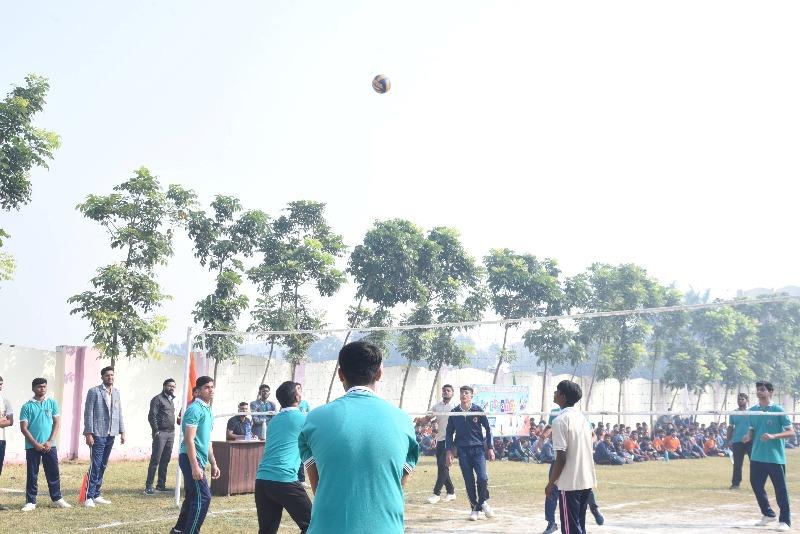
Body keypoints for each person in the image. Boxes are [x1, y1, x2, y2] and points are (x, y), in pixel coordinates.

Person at [298, 341, 418, 534]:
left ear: (340, 374)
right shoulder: (403, 421)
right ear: (379, 373)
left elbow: (317, 485)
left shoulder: (314, 420)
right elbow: (400, 483)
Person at [255, 381, 312, 534]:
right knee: (314, 525)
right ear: (296, 397)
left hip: (262, 481)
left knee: (267, 531)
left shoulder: (274, 421)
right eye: (299, 390)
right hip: (284, 480)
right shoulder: (303, 419)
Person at [545, 380, 597, 534]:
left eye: (557, 391)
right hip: (586, 480)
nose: (554, 393)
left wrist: (551, 483)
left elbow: (561, 458)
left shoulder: (560, 421)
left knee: (570, 530)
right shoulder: (583, 419)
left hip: (570, 483)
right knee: (579, 526)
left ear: (563, 397)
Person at [171, 376, 221, 534]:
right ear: (197, 391)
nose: (211, 390)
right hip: (190, 458)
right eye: (207, 387)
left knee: (193, 497)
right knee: (203, 497)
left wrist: (213, 463)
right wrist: (194, 466)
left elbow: (207, 441)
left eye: (212, 386)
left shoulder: (208, 410)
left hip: (197, 459)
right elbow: (189, 439)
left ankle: (178, 530)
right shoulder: (194, 409)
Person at [742, 381, 793, 531]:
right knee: (756, 485)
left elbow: (791, 432)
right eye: (758, 389)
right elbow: (752, 429)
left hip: (775, 457)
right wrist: (748, 435)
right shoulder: (753, 410)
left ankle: (785, 521)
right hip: (757, 456)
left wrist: (773, 436)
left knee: (780, 489)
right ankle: (768, 514)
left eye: (763, 389)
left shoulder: (778, 410)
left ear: (770, 392)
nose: (759, 392)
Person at [18, 378, 71, 511]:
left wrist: (50, 441)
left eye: (44, 386)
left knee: (53, 472)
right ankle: (31, 502)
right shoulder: (27, 406)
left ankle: (57, 499)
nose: (42, 388)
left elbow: (56, 423)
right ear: (33, 389)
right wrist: (35, 444)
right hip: (32, 446)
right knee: (32, 474)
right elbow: (24, 428)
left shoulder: (52, 403)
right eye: (39, 387)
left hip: (49, 446)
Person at [445, 385, 496, 521]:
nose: (463, 395)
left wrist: (490, 447)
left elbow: (488, 429)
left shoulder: (478, 410)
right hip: (462, 451)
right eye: (462, 393)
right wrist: (449, 451)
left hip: (478, 449)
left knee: (482, 478)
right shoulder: (454, 412)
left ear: (471, 396)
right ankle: (474, 508)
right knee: (469, 481)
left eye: (466, 393)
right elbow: (449, 432)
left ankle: (482, 502)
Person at [83, 365, 125, 508]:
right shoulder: (94, 391)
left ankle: (96, 494)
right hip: (97, 433)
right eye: (107, 375)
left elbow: (119, 413)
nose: (110, 377)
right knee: (95, 464)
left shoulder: (116, 393)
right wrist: (88, 433)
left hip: (111, 433)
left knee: (103, 464)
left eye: (112, 375)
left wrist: (122, 431)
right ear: (102, 377)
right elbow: (88, 413)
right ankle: (88, 496)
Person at [145, 378, 178, 495]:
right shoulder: (157, 399)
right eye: (169, 386)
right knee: (155, 460)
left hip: (171, 433)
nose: (171, 388)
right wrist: (156, 431)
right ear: (164, 386)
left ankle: (161, 485)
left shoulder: (171, 400)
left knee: (165, 460)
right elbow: (151, 416)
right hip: (161, 433)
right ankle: (148, 486)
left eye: (173, 386)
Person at [425, 384, 457, 504]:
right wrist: (420, 421)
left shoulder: (456, 407)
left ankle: (436, 493)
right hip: (440, 440)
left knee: (443, 466)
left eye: (448, 390)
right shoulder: (437, 406)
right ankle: (451, 492)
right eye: (444, 390)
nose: (445, 392)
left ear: (452, 393)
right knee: (442, 467)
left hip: (452, 441)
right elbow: (427, 418)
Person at [728, 392, 752, 489]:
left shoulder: (752, 412)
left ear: (747, 400)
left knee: (754, 463)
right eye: (739, 399)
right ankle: (735, 483)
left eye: (742, 399)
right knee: (737, 464)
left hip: (751, 440)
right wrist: (729, 440)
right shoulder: (733, 413)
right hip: (737, 441)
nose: (740, 401)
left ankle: (757, 483)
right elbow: (730, 427)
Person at [0, 375, 14, 511]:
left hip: (1, 440)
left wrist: (5, 420)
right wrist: (2, 419)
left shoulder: (5, 401)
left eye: (1, 384)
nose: (0, 386)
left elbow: (10, 421)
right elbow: (5, 420)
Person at [294, 382, 310, 486]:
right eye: (296, 388)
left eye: (299, 388)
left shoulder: (305, 403)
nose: (298, 390)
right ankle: (294, 478)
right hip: (293, 433)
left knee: (301, 456)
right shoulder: (289, 404)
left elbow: (309, 416)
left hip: (302, 432)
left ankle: (302, 480)